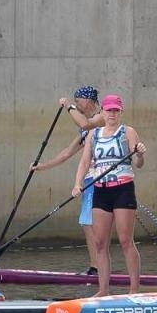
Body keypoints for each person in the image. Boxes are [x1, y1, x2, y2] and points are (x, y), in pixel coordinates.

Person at [72, 94, 146, 295]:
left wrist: (139, 153)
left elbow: (138, 164)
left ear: (120, 112)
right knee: (100, 242)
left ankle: (134, 289)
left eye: (116, 110)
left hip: (122, 189)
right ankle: (103, 290)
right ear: (102, 112)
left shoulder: (128, 132)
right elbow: (85, 162)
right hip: (101, 191)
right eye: (109, 110)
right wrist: (77, 184)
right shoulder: (93, 135)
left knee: (125, 240)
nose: (112, 114)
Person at [30, 86, 107, 274]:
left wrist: (68, 106)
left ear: (89, 101)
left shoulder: (102, 118)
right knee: (87, 224)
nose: (78, 105)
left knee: (91, 224)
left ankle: (98, 269)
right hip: (89, 181)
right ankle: (97, 267)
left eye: (79, 101)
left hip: (102, 179)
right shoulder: (86, 131)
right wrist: (41, 167)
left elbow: (84, 123)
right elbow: (66, 153)